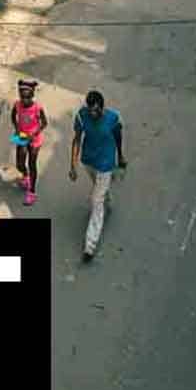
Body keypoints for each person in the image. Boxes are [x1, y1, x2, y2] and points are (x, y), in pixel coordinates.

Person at [69, 89, 126, 263]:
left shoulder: (113, 118)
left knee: (95, 201)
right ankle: (105, 200)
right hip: (89, 162)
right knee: (100, 192)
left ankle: (90, 246)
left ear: (102, 107)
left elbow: (118, 136)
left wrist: (121, 156)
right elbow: (77, 139)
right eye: (91, 110)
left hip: (106, 165)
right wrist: (73, 164)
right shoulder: (81, 116)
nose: (93, 114)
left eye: (96, 110)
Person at [10, 76, 47, 206]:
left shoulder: (38, 108)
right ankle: (25, 176)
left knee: (32, 163)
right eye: (22, 97)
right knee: (19, 163)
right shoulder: (17, 104)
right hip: (21, 136)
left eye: (27, 98)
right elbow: (13, 116)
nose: (25, 100)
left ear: (32, 96)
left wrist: (34, 133)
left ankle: (31, 192)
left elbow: (44, 123)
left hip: (34, 138)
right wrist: (16, 128)